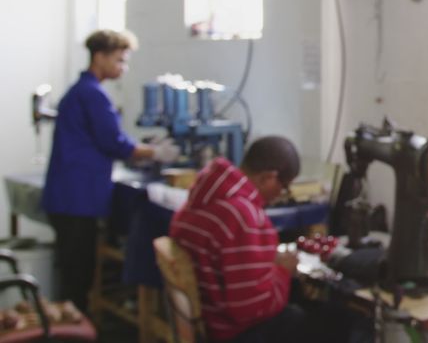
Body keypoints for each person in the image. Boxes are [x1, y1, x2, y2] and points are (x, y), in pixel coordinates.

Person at [42, 29, 180, 312]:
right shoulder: (93, 96)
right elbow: (115, 142)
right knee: (78, 275)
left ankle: (70, 323)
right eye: (119, 60)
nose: (123, 68)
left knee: (72, 271)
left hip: (68, 196)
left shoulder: (80, 92)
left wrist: (140, 148)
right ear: (99, 57)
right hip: (76, 199)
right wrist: (156, 152)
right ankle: (74, 330)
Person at [169, 136, 303, 343]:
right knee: (307, 319)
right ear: (268, 177)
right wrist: (282, 271)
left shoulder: (202, 196)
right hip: (226, 333)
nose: (280, 194)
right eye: (283, 187)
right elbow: (250, 309)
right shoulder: (242, 216)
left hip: (203, 318)